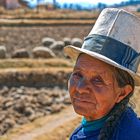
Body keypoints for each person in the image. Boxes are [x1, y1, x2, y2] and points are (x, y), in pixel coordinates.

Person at [64, 8, 140, 140]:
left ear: (122, 93)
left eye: (98, 80)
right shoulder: (86, 130)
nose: (81, 88)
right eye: (78, 74)